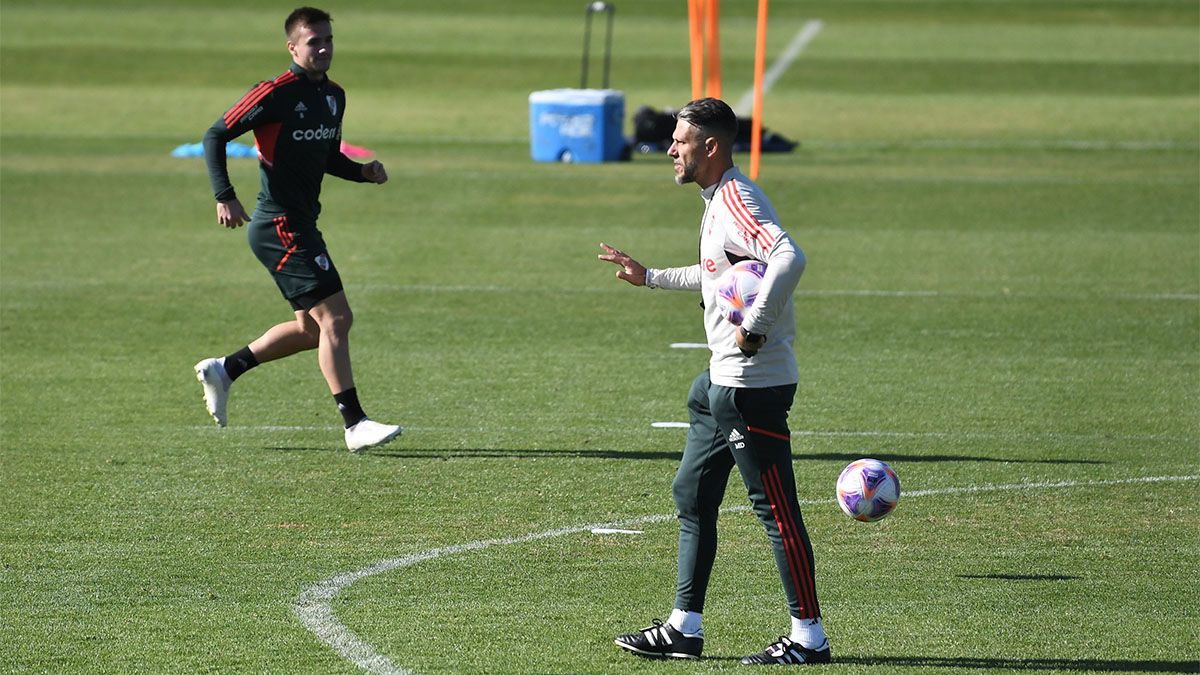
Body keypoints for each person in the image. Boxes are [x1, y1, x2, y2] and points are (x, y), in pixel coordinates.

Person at [599, 98, 829, 665]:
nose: (670, 149)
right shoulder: (715, 201)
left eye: (679, 140)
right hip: (718, 386)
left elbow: (789, 256)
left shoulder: (736, 198)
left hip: (753, 384)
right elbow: (715, 277)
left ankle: (809, 638)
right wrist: (649, 276)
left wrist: (754, 328)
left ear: (710, 147)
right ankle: (684, 627)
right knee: (692, 494)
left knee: (776, 512)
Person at [194, 6, 401, 452]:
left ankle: (225, 370)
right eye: (314, 42)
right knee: (337, 319)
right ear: (292, 46)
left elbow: (326, 156)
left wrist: (361, 172)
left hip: (303, 222)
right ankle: (354, 423)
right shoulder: (273, 94)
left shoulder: (334, 96)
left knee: (311, 330)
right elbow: (215, 135)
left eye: (328, 40)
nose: (324, 48)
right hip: (278, 225)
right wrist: (224, 194)